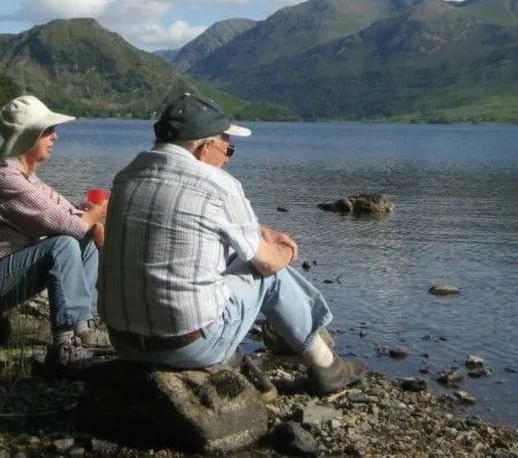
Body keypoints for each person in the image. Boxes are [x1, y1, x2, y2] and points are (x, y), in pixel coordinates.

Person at [98, 93, 365, 394]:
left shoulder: (126, 178)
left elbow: (191, 228)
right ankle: (327, 366)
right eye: (229, 148)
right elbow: (267, 262)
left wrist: (258, 232)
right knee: (271, 275)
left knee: (224, 259)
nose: (228, 157)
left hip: (122, 341)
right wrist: (286, 249)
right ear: (203, 147)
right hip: (187, 347)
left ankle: (310, 344)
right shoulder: (217, 186)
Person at [0, 95, 110, 368]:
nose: (55, 136)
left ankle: (83, 327)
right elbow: (71, 225)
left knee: (80, 241)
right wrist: (95, 215)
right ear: (28, 136)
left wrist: (90, 217)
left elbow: (64, 211)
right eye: (47, 131)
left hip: (0, 275)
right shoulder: (4, 179)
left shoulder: (23, 176)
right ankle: (66, 343)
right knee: (64, 244)